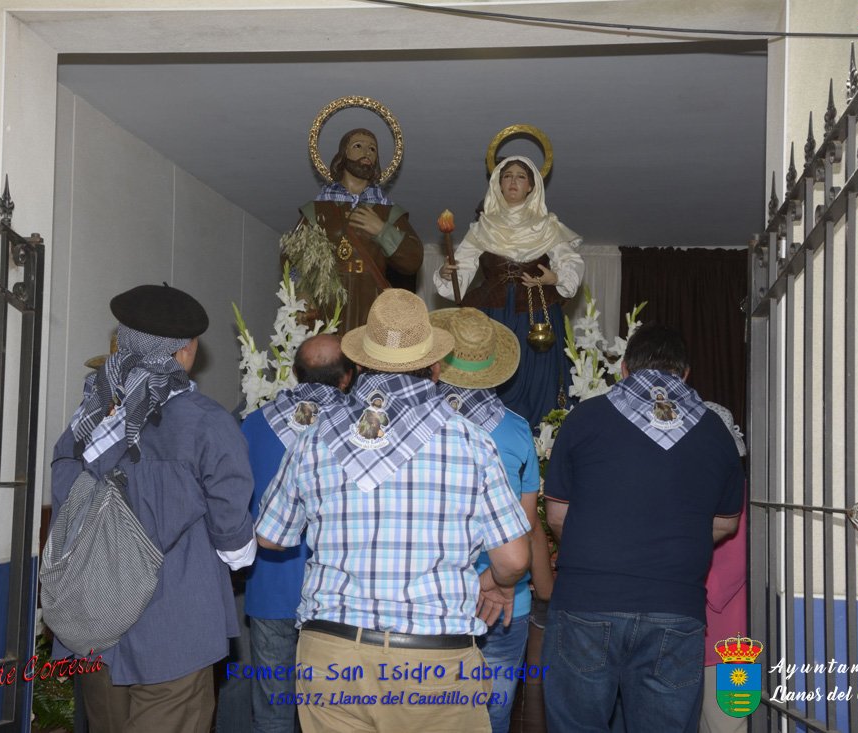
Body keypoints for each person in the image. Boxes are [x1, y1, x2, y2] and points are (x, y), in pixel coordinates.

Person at [255, 289, 532, 733]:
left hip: (332, 653)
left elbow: (270, 537)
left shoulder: (313, 437)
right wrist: (500, 585)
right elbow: (515, 559)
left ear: (360, 365)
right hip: (434, 658)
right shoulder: (471, 441)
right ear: (436, 366)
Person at [50, 284, 256, 733]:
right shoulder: (207, 424)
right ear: (186, 350)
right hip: (175, 624)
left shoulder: (90, 416)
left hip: (95, 623)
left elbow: (66, 501)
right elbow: (233, 540)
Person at [540, 323, 743, 733]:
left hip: (586, 602)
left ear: (625, 369)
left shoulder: (585, 418)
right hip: (676, 606)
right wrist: (674, 539)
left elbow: (557, 516)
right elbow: (727, 523)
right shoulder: (715, 431)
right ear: (685, 374)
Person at [429, 306, 554, 733]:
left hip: (434, 593)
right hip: (504, 596)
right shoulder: (517, 431)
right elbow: (525, 525)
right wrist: (503, 581)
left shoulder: (419, 427)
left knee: (428, 714)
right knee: (492, 716)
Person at [242, 334, 355, 733]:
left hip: (270, 584)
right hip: (340, 595)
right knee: (336, 714)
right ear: (347, 376)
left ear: (295, 373)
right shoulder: (362, 430)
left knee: (272, 712)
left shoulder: (254, 424)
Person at [434, 155, 585, 427]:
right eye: (507, 176)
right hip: (493, 314)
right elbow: (461, 269)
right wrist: (447, 273)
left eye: (520, 176)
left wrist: (554, 277)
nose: (513, 181)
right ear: (498, 183)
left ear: (531, 186)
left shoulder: (548, 226)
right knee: (487, 372)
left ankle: (540, 438)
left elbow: (571, 262)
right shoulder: (482, 227)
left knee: (540, 376)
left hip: (536, 315)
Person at [296, 128, 424, 334]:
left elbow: (413, 259)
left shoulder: (387, 211)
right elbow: (293, 257)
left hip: (371, 301)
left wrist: (382, 230)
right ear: (343, 154)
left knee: (368, 348)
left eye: (372, 149)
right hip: (327, 302)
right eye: (358, 146)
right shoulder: (318, 210)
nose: (367, 153)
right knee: (327, 350)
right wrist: (301, 292)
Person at [699, 401, 748, 733]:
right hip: (702, 643)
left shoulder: (738, 492)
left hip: (733, 648)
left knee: (734, 726)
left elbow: (730, 569)